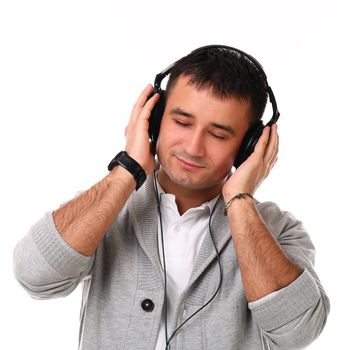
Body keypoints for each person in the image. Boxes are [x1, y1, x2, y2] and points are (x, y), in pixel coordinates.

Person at [13, 46, 329, 350]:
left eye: (218, 135)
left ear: (251, 145)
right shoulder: (108, 206)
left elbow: (297, 332)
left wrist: (241, 199)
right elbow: (34, 276)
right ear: (154, 117)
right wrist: (128, 168)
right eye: (181, 121)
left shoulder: (279, 230)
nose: (192, 147)